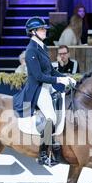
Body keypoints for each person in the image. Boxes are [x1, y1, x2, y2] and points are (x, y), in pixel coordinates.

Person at [13, 17, 75, 167]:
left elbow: (51, 70)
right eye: (41, 29)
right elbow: (38, 76)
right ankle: (43, 154)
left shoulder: (42, 47)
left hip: (47, 86)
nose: (44, 31)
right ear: (33, 32)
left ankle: (55, 146)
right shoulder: (31, 50)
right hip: (38, 88)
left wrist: (65, 77)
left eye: (44, 28)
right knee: (51, 117)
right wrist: (59, 81)